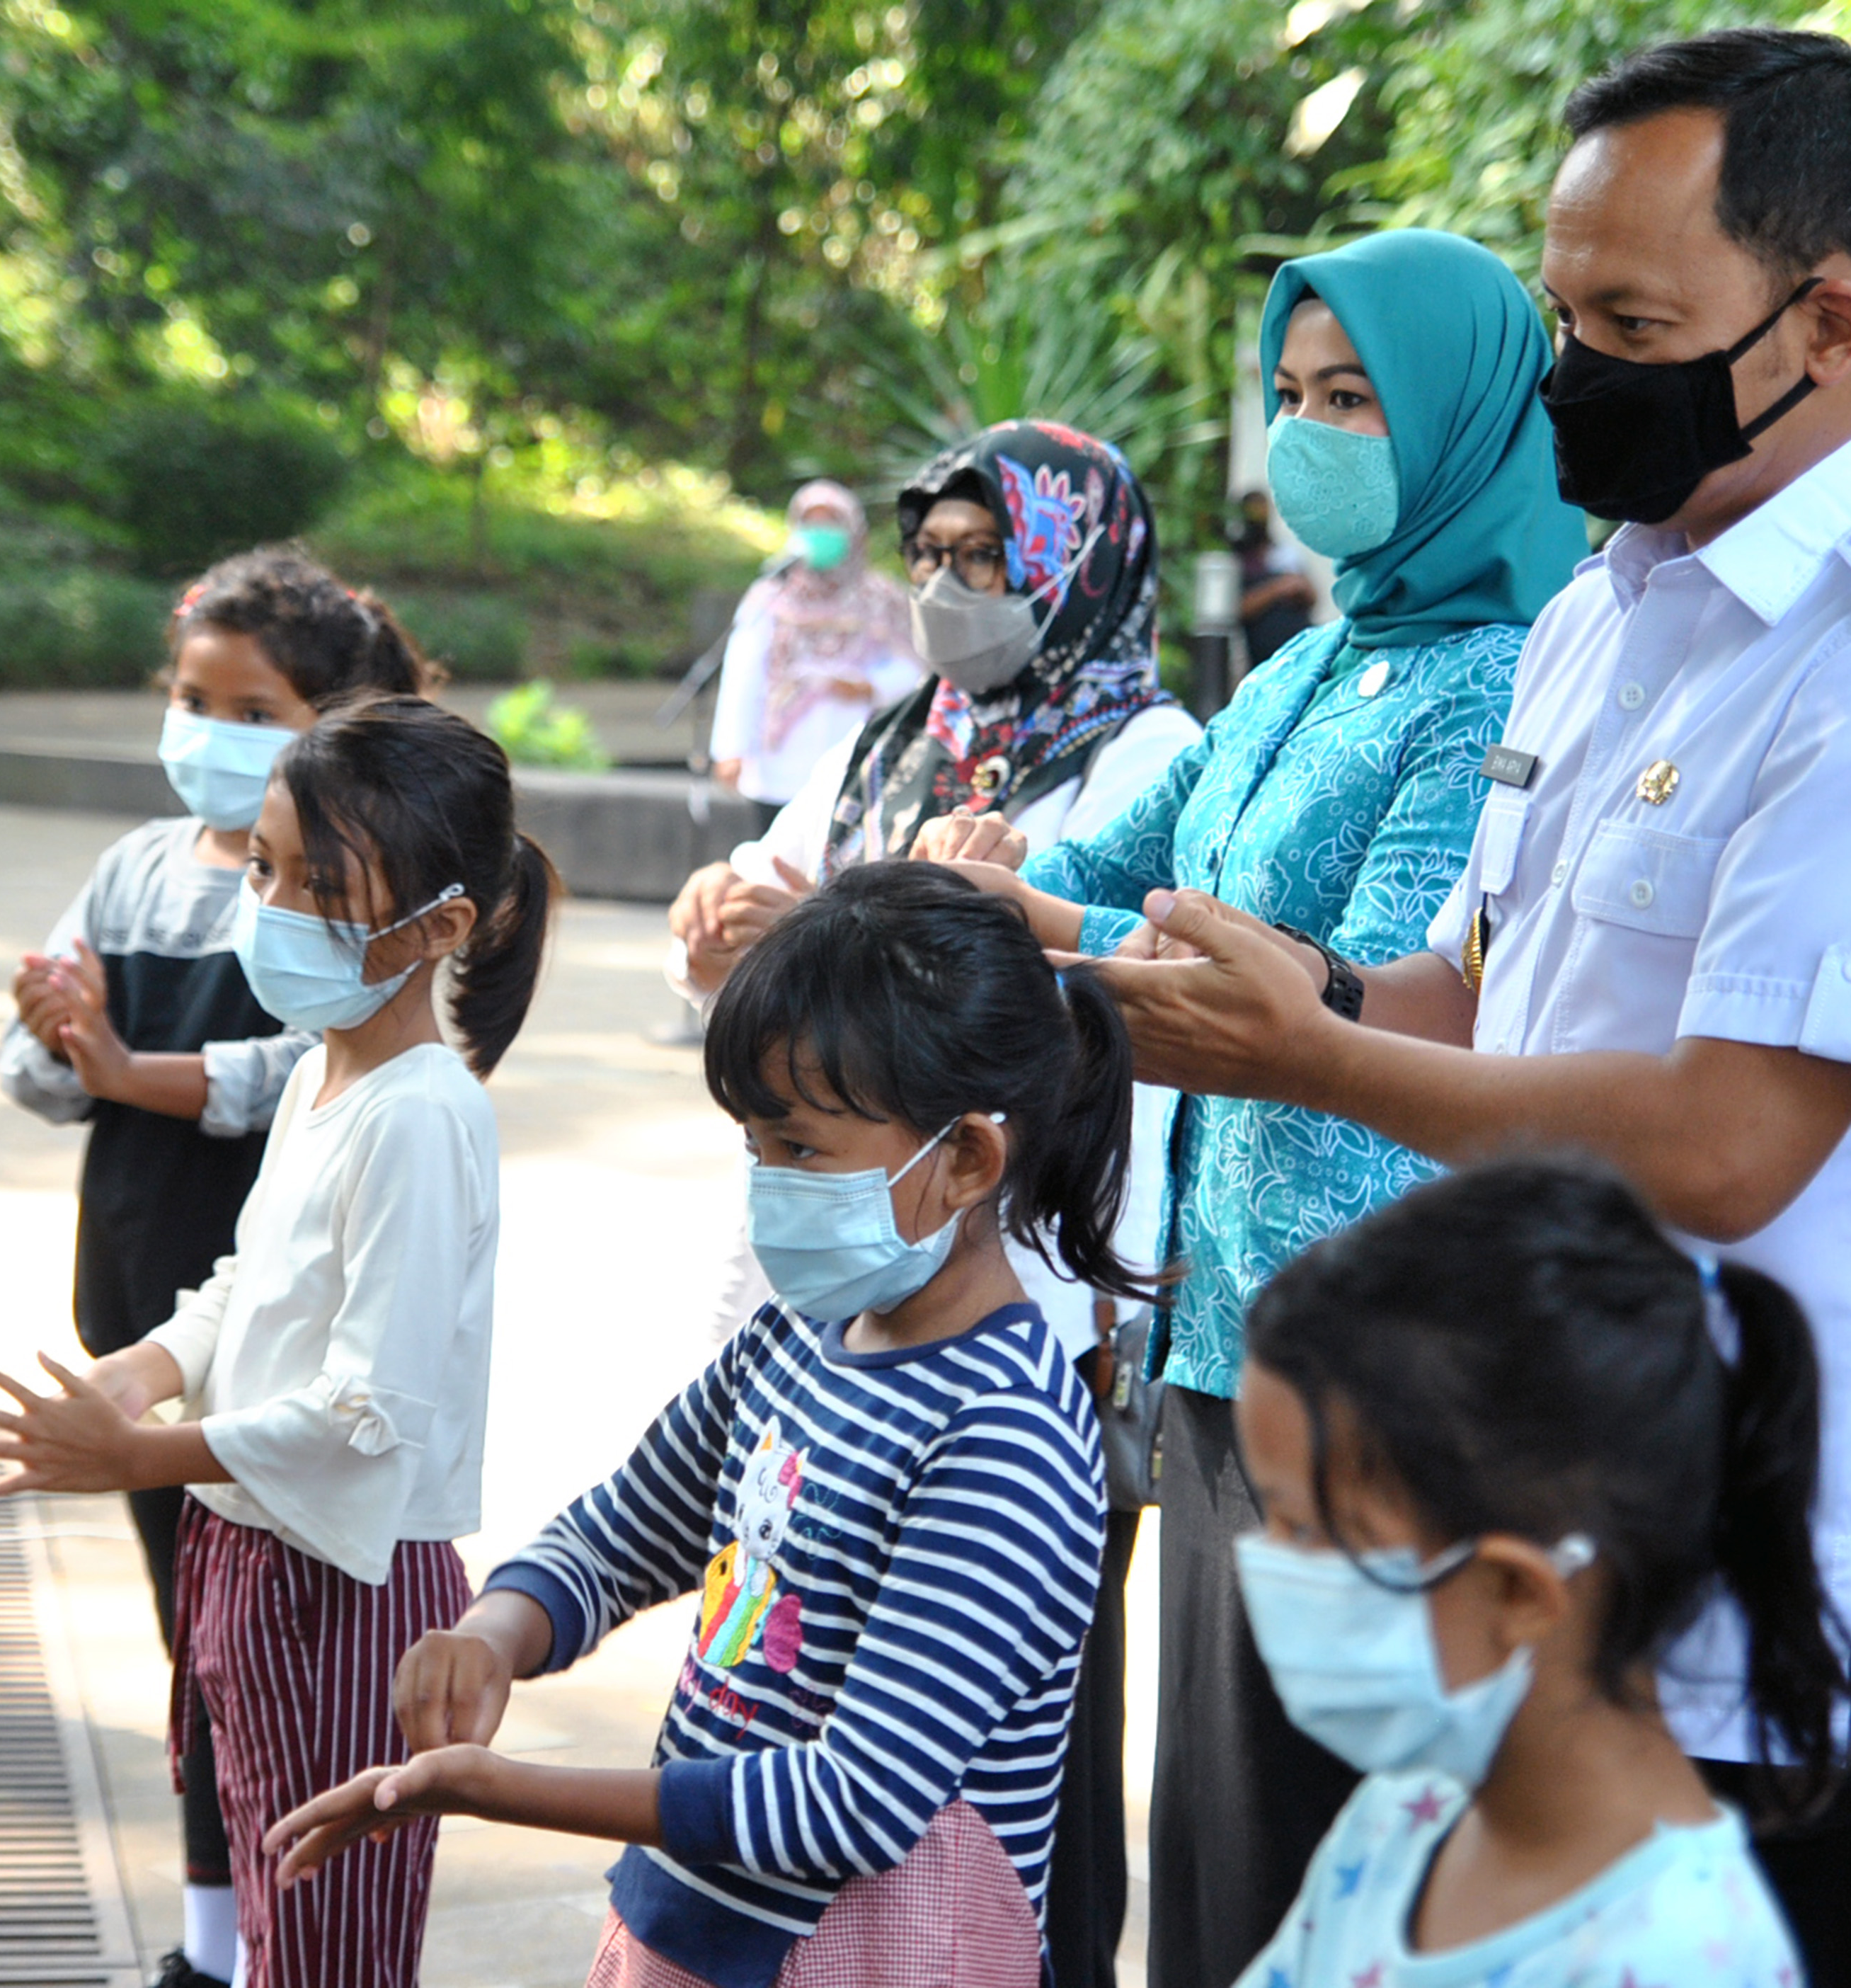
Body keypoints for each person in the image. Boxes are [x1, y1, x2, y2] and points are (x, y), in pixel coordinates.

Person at [1067, 33, 1851, 1985]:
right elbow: (1488, 987)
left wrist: (1318, 1056)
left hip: (1755, 1607)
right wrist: (1300, 992)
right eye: (1559, 308)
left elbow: (1730, 1138)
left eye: (1630, 320)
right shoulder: (1612, 604)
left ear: (1829, 323)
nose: (1568, 373)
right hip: (1534, 1540)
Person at [919, 227, 1587, 1988]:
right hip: (1213, 1336)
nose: (1308, 438)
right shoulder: (1295, 669)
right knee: (1215, 1863)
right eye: (1289, 398)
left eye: (1353, 400)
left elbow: (1369, 986)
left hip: (1378, 1360)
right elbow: (1101, 879)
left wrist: (1069, 936)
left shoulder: (1508, 675)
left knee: (1335, 1872)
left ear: (1458, 417)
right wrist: (980, 886)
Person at [262, 863, 1145, 1988]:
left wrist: (503, 1787)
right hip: (693, 1924)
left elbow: (854, 1801)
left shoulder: (1002, 1438)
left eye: (803, 1151)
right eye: (753, 1148)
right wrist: (499, 1629)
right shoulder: (794, 1341)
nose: (768, 1186)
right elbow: (623, 1530)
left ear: (966, 1157)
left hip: (883, 1957)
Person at [668, 421, 1199, 1986]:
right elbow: (774, 954)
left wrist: (1110, 1297)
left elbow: (1138, 1033)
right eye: (936, 558)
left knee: (1018, 1740)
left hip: (1020, 1282)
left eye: (990, 559)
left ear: (1076, 569)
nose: (952, 590)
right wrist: (727, 933)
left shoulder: (1153, 757)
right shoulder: (890, 739)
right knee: (798, 1658)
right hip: (841, 1283)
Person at [0, 695, 553, 1988]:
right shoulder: (325, 1069)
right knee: (280, 1933)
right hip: (254, 1556)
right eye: (268, 866)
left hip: (342, 1592)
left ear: (441, 925)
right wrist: (145, 1369)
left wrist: (143, 1452)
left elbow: (361, 1411)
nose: (269, 903)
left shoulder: (419, 1116)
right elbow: (248, 1279)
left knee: (329, 1951)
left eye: (319, 885)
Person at [0, 547, 437, 1988]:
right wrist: (61, 1038)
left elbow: (291, 1071)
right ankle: (212, 1944)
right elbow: (37, 1075)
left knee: (272, 1669)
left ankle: (270, 1948)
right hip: (149, 1302)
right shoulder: (129, 866)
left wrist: (125, 1061)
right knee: (198, 1655)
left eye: (253, 709)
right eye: (194, 698)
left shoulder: (329, 902)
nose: (209, 730)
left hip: (262, 1357)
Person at [1233, 1158, 1840, 1986]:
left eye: (1308, 1529)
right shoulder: (1404, 1820)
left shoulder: (1678, 1957)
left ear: (1518, 1591)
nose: (1267, 1566)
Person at [705, 480, 919, 806]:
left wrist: (868, 687)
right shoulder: (771, 597)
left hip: (855, 760)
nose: (820, 533)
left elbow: (916, 667)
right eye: (811, 523)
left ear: (853, 531)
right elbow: (742, 676)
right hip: (779, 765)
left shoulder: (882, 598)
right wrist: (730, 750)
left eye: (831, 523)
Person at [1232, 491, 1318, 670]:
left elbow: (1313, 597)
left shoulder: (1285, 553)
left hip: (1301, 652)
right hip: (1264, 661)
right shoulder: (1238, 558)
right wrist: (1277, 589)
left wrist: (1298, 588)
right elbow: (1238, 609)